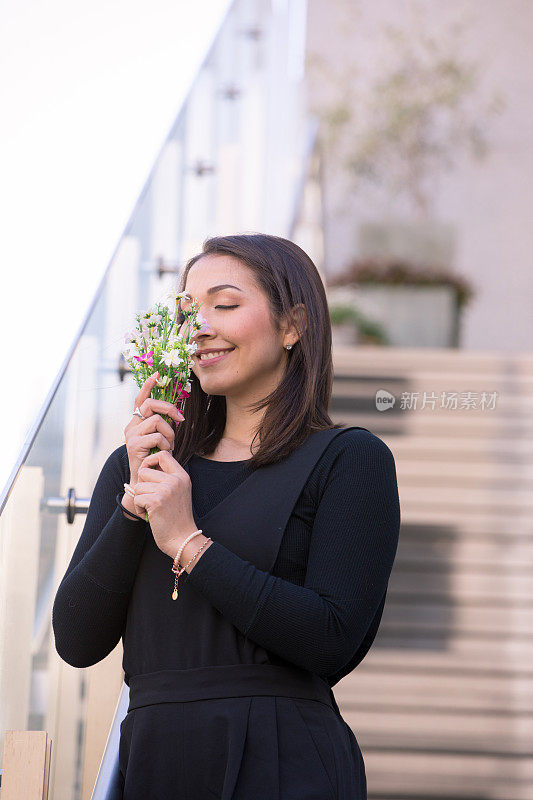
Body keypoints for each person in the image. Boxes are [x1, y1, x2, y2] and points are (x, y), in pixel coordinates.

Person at [52, 233, 401, 799]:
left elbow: (331, 639)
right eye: (188, 312)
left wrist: (189, 542)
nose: (200, 327)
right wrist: (133, 506)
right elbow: (76, 639)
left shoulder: (349, 460)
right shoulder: (140, 465)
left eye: (226, 305)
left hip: (282, 761)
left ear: (293, 325)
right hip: (155, 762)